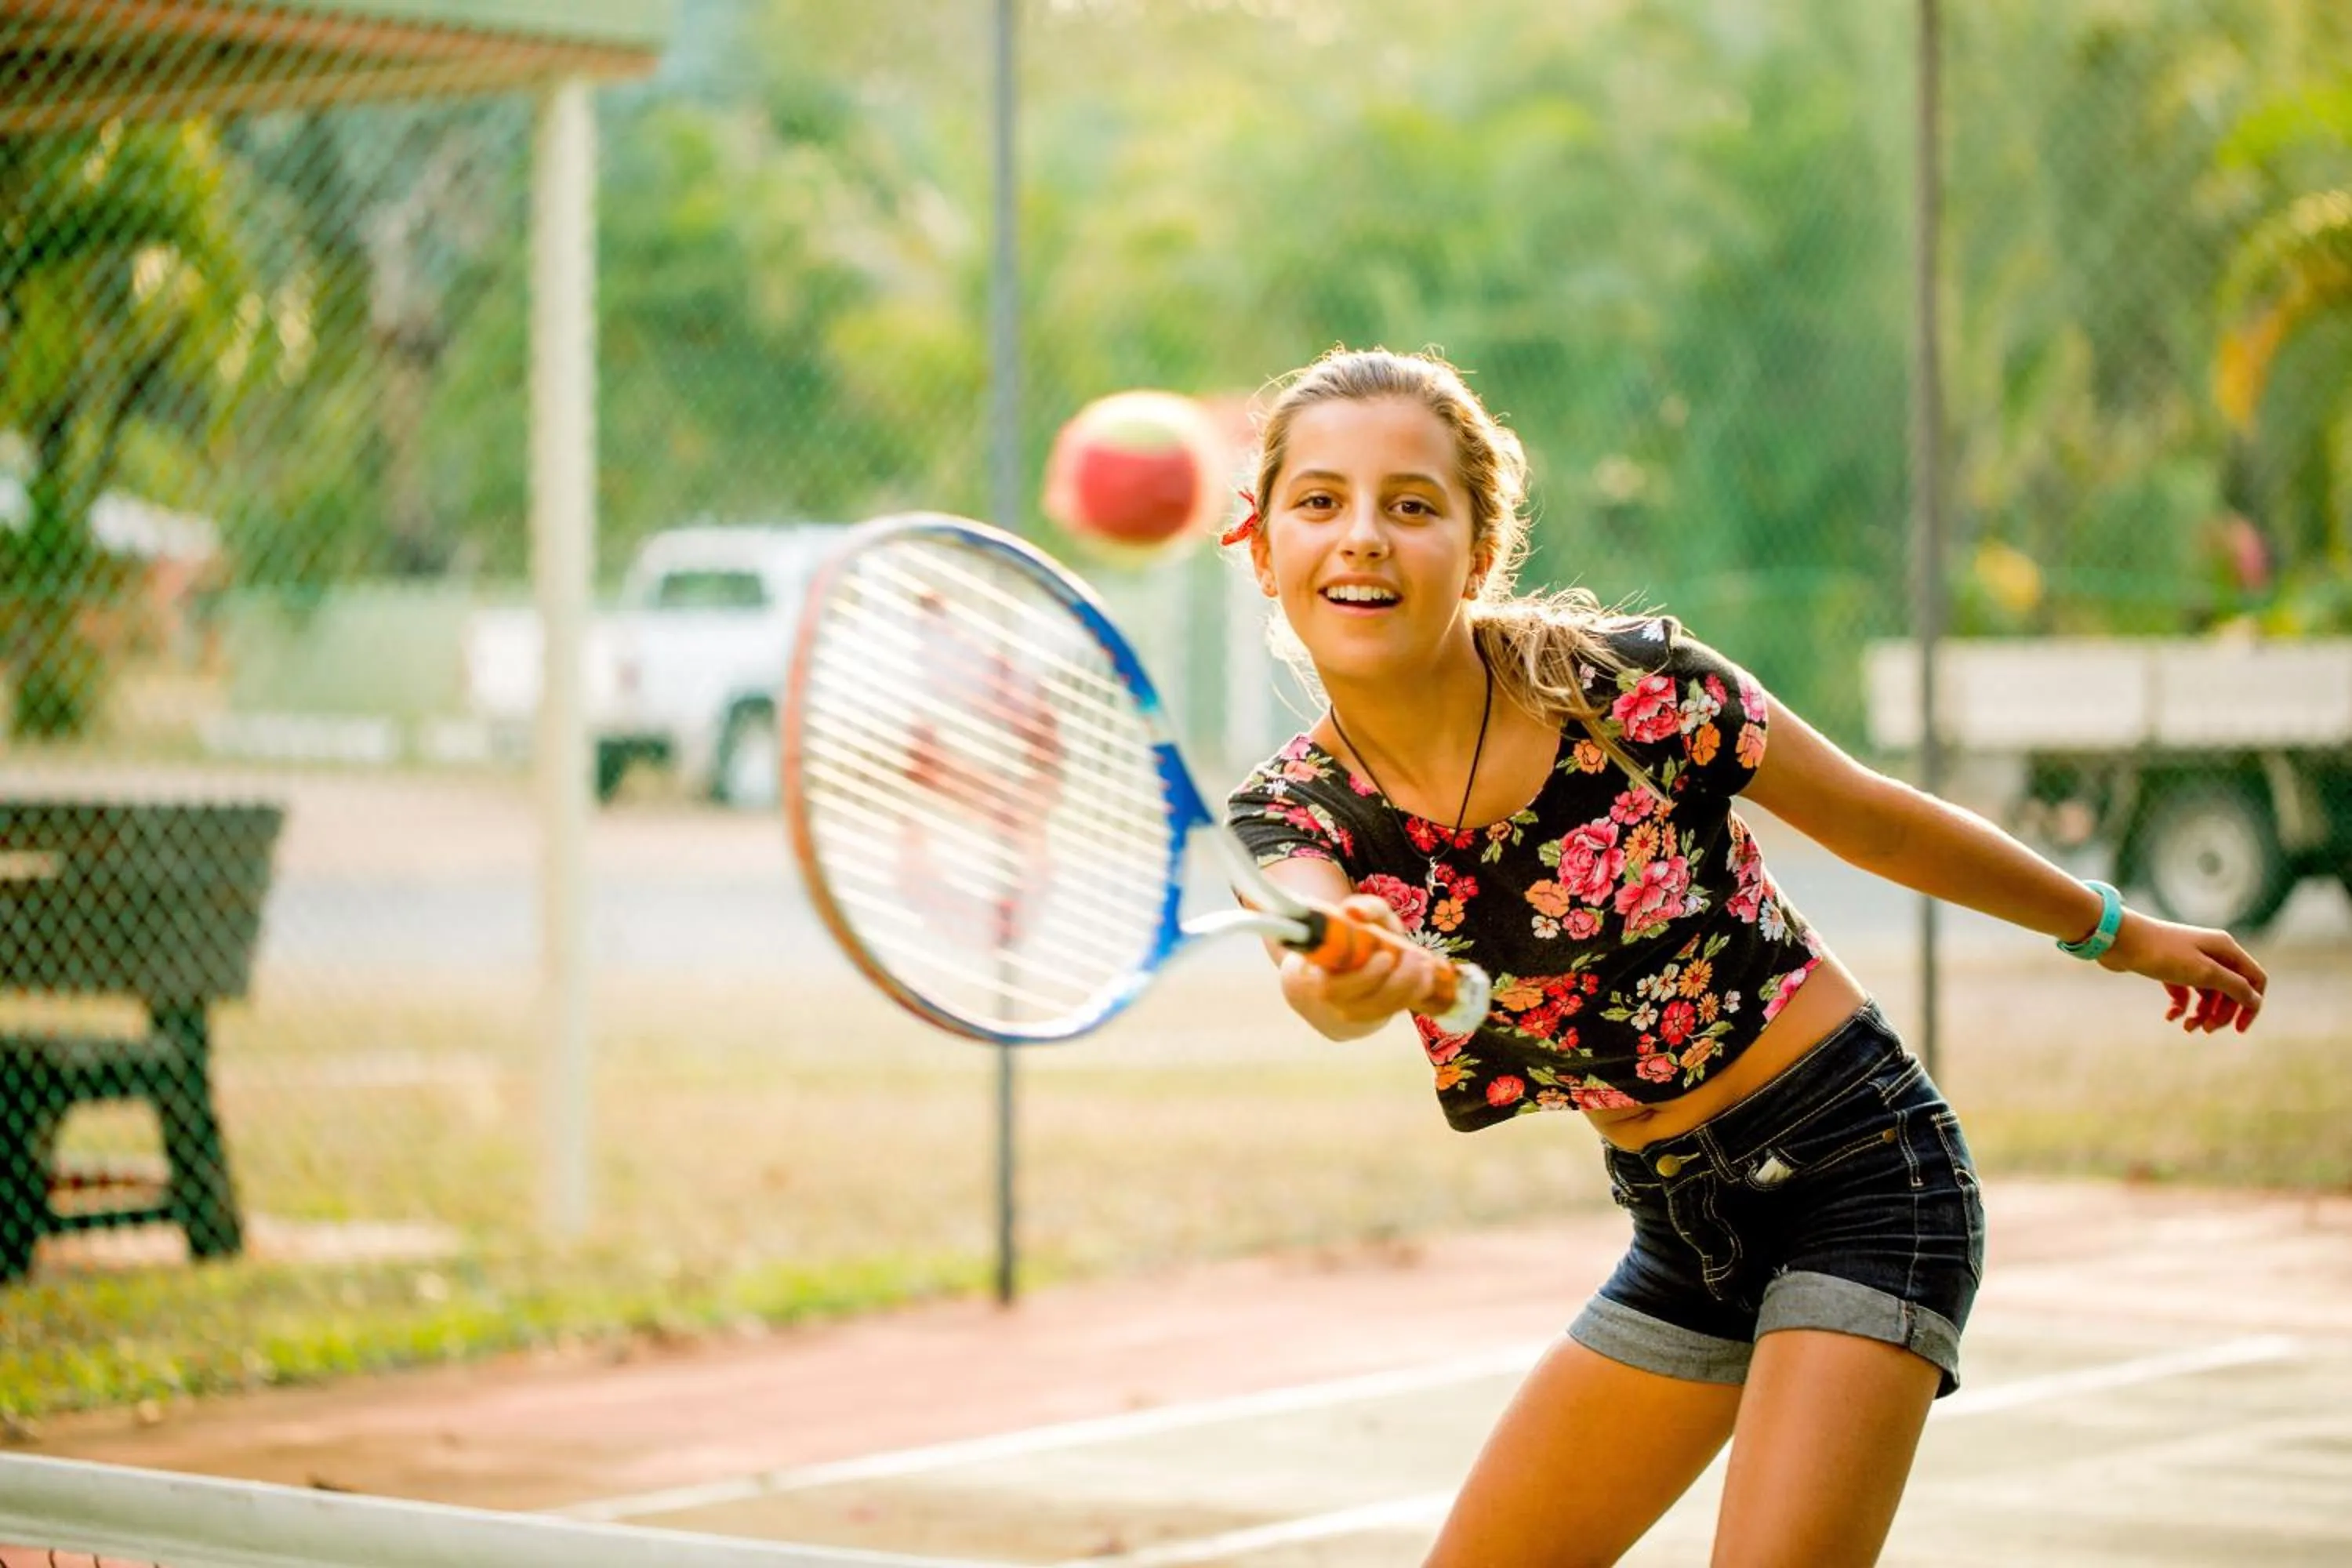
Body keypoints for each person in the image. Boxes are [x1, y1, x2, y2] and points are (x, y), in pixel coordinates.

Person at [1221, 347, 2267, 1567]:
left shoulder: (1627, 690)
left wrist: (2117, 930)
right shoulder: (1294, 812)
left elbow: (1876, 815)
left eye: (1411, 505)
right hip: (1682, 1232)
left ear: (1478, 547)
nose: (1362, 537)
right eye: (1319, 503)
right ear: (1264, 550)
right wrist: (1349, 972)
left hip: (1861, 1172)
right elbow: (1319, 972)